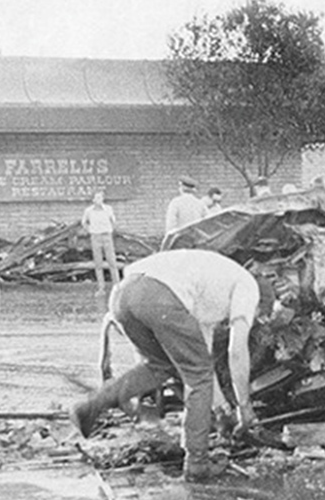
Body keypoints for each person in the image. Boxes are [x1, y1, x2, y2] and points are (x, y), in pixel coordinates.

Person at [69, 249, 274, 482]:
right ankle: (197, 463)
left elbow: (202, 359)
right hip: (158, 296)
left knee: (161, 365)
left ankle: (89, 406)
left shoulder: (213, 295)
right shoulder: (249, 287)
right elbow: (236, 352)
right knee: (198, 377)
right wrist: (245, 407)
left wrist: (221, 409)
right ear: (259, 305)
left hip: (123, 296)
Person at [81, 190, 121, 294]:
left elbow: (113, 221)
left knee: (112, 262)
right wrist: (90, 230)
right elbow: (84, 222)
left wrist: (110, 230)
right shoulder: (89, 211)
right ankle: (101, 288)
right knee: (98, 264)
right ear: (93, 200)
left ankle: (117, 287)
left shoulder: (108, 209)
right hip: (95, 237)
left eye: (100, 197)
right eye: (96, 198)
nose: (99, 200)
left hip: (107, 236)